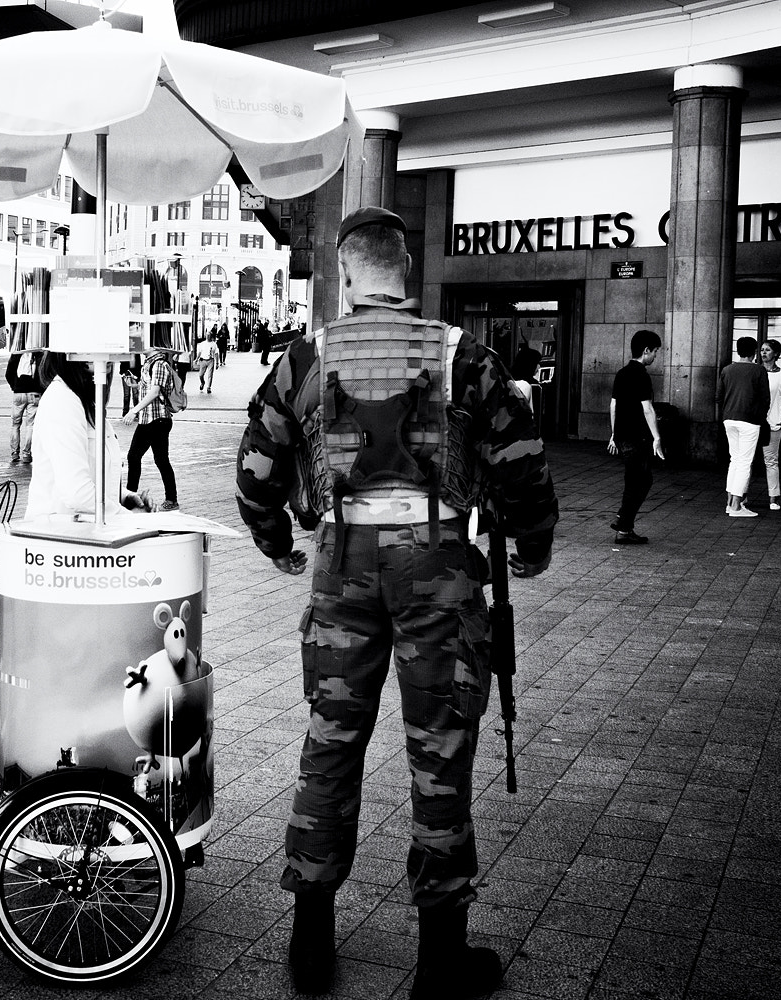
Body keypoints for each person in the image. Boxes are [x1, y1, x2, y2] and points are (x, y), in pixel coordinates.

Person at [235, 206, 557, 1000]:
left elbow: (256, 469)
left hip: (342, 564)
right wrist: (530, 544)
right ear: (406, 271)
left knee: (329, 746)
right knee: (440, 758)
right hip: (438, 569)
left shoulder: (308, 357)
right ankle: (439, 960)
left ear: (347, 276)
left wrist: (276, 539)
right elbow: (520, 461)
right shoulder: (460, 355)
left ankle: (311, 947)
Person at [25, 352, 147, 519]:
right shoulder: (63, 401)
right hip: (60, 532)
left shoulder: (83, 400)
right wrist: (132, 519)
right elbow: (76, 493)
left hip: (79, 530)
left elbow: (89, 474)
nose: (110, 358)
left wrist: (124, 497)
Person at [608, 330, 664, 544]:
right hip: (637, 436)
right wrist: (656, 437)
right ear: (646, 350)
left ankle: (624, 526)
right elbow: (647, 408)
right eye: (655, 351)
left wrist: (614, 434)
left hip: (622, 435)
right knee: (641, 480)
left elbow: (613, 405)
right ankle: (623, 523)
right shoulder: (642, 375)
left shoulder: (621, 373)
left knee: (634, 480)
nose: (656, 356)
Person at [120, 347, 181, 511]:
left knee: (135, 456)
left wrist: (133, 411)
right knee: (160, 460)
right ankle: (171, 499)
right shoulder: (148, 363)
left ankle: (131, 497)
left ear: (154, 347)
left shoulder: (159, 364)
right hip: (151, 419)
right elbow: (148, 388)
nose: (140, 345)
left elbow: (154, 392)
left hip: (157, 419)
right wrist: (135, 385)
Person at [717, 336, 770, 517]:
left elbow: (719, 397)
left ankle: (729, 502)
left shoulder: (726, 370)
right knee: (745, 463)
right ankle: (736, 506)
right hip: (750, 420)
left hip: (729, 418)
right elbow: (765, 400)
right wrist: (760, 417)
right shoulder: (759, 371)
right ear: (754, 351)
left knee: (735, 460)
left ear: (737, 350)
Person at [758, 338, 781, 510]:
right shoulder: (756, 372)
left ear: (776, 354)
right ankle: (741, 496)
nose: (763, 353)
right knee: (746, 460)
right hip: (754, 423)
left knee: (771, 461)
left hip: (773, 424)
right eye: (762, 350)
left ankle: (773, 498)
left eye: (767, 350)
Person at [5, 350, 44, 466]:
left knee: (15, 424)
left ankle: (14, 453)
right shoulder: (40, 354)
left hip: (18, 393)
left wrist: (15, 386)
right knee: (31, 425)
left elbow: (8, 374)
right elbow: (44, 374)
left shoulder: (17, 353)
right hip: (35, 392)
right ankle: (27, 453)